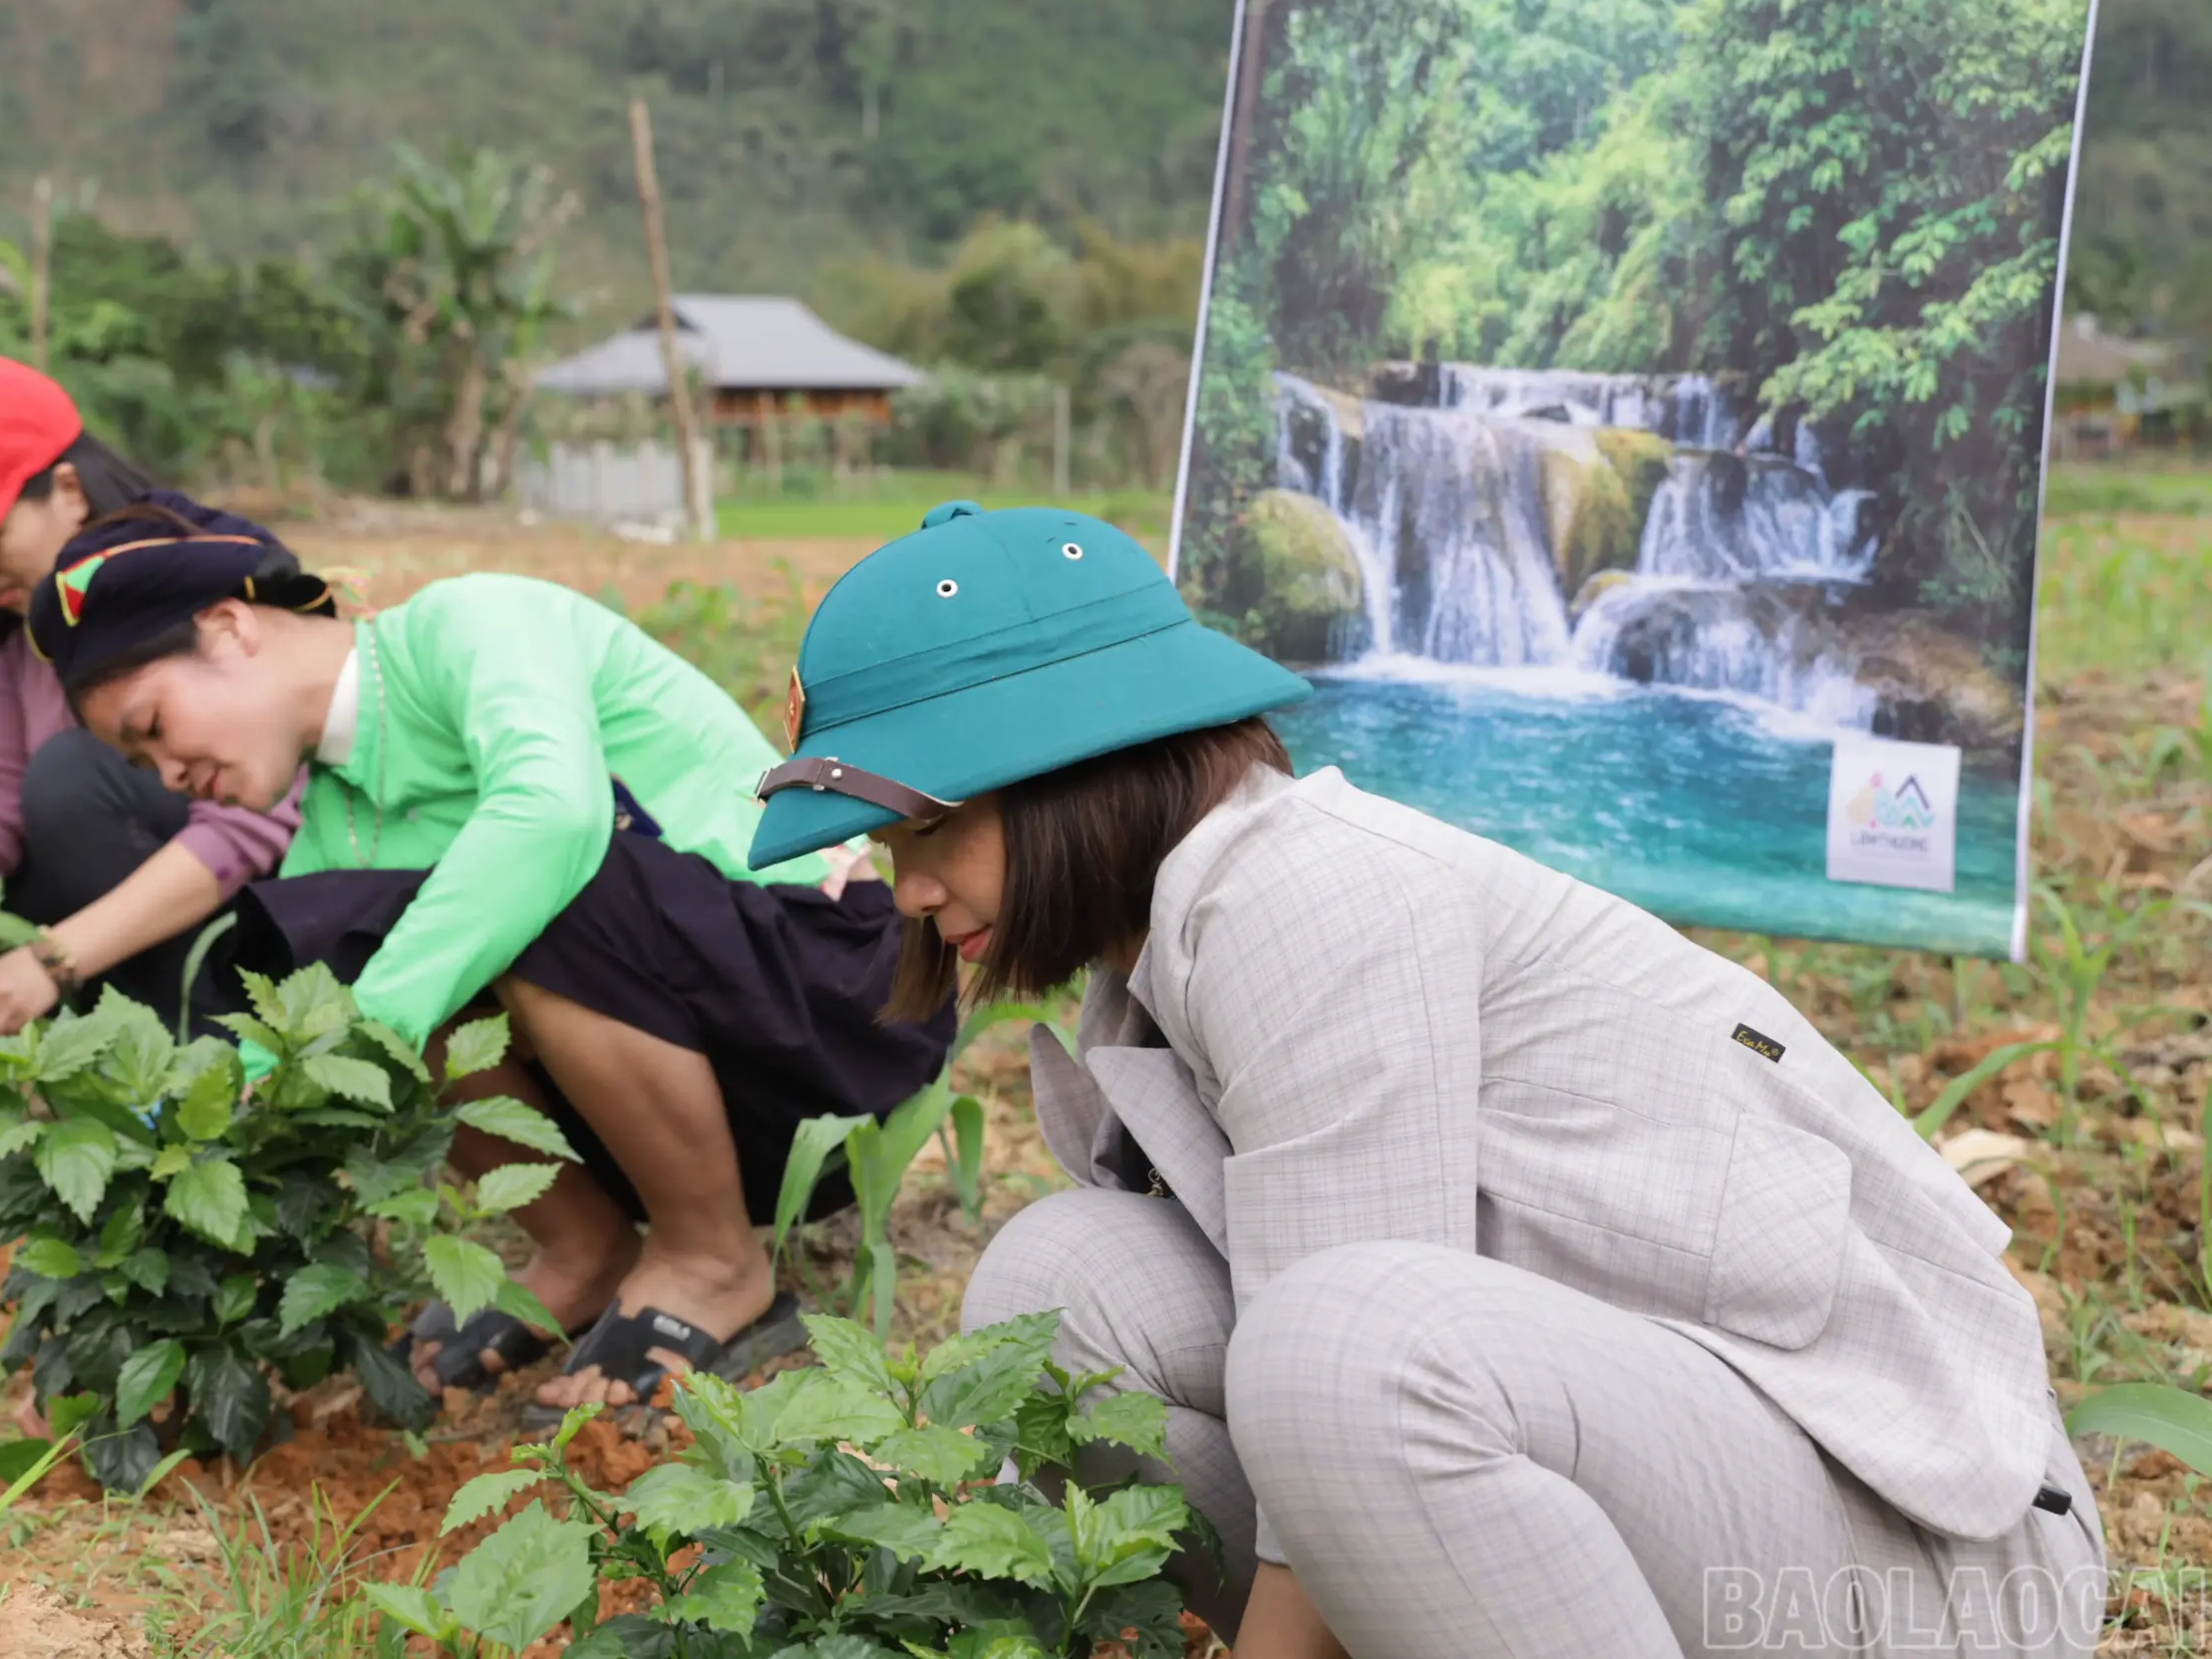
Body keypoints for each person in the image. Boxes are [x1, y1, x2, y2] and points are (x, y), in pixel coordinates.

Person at [748, 500, 2104, 1659]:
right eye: (888, 833)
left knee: (1345, 1344)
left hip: (1946, 1562)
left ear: (1078, 769)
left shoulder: (1305, 893)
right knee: (1053, 1296)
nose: (908, 886)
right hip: (1697, 1464)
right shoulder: (1163, 944)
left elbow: (1338, 1366)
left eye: (934, 821)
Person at [26, 514, 955, 1423]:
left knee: (537, 869)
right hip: (690, 1082)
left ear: (230, 628)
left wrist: (362, 1025)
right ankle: (582, 1243)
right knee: (335, 928)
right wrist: (205, 1130)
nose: (165, 772)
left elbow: (553, 817)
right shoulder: (331, 812)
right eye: (138, 759)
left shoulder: (469, 624)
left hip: (831, 1013)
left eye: (151, 724)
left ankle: (710, 1258)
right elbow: (330, 1023)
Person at [0, 356, 299, 1036]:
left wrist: (51, 962)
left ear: (68, 489)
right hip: (99, 873)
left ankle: (195, 1041)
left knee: (72, 778)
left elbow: (255, 825)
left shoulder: (191, 582)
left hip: (244, 905)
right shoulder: (20, 621)